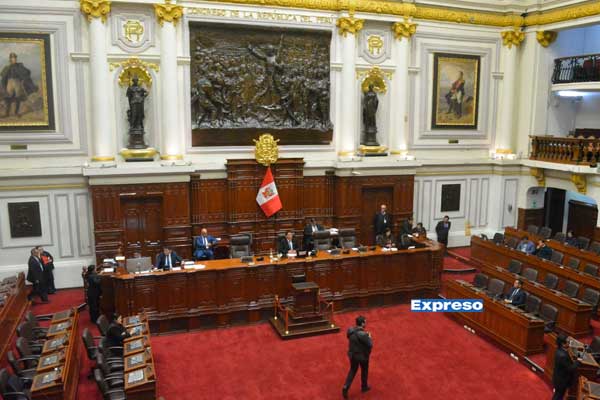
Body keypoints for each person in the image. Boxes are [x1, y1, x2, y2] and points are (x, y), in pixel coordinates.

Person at [342, 315, 373, 399]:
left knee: (352, 370)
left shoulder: (350, 330)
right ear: (362, 323)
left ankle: (346, 386)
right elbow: (370, 344)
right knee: (364, 370)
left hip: (352, 355)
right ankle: (364, 387)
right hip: (362, 356)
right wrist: (369, 337)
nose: (366, 323)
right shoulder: (363, 334)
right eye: (365, 322)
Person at [1, 52, 37, 118]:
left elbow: (28, 72)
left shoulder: (19, 66)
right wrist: (4, 86)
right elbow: (4, 77)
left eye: (15, 58)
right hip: (9, 83)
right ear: (10, 59)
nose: (14, 59)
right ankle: (7, 113)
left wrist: (22, 78)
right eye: (13, 58)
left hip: (17, 82)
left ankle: (16, 112)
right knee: (8, 97)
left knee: (18, 97)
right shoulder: (7, 67)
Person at [552, 334, 580, 400]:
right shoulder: (563, 356)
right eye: (568, 342)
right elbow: (571, 368)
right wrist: (579, 359)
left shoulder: (559, 350)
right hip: (561, 381)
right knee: (558, 396)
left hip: (558, 378)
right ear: (563, 344)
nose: (569, 342)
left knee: (558, 395)